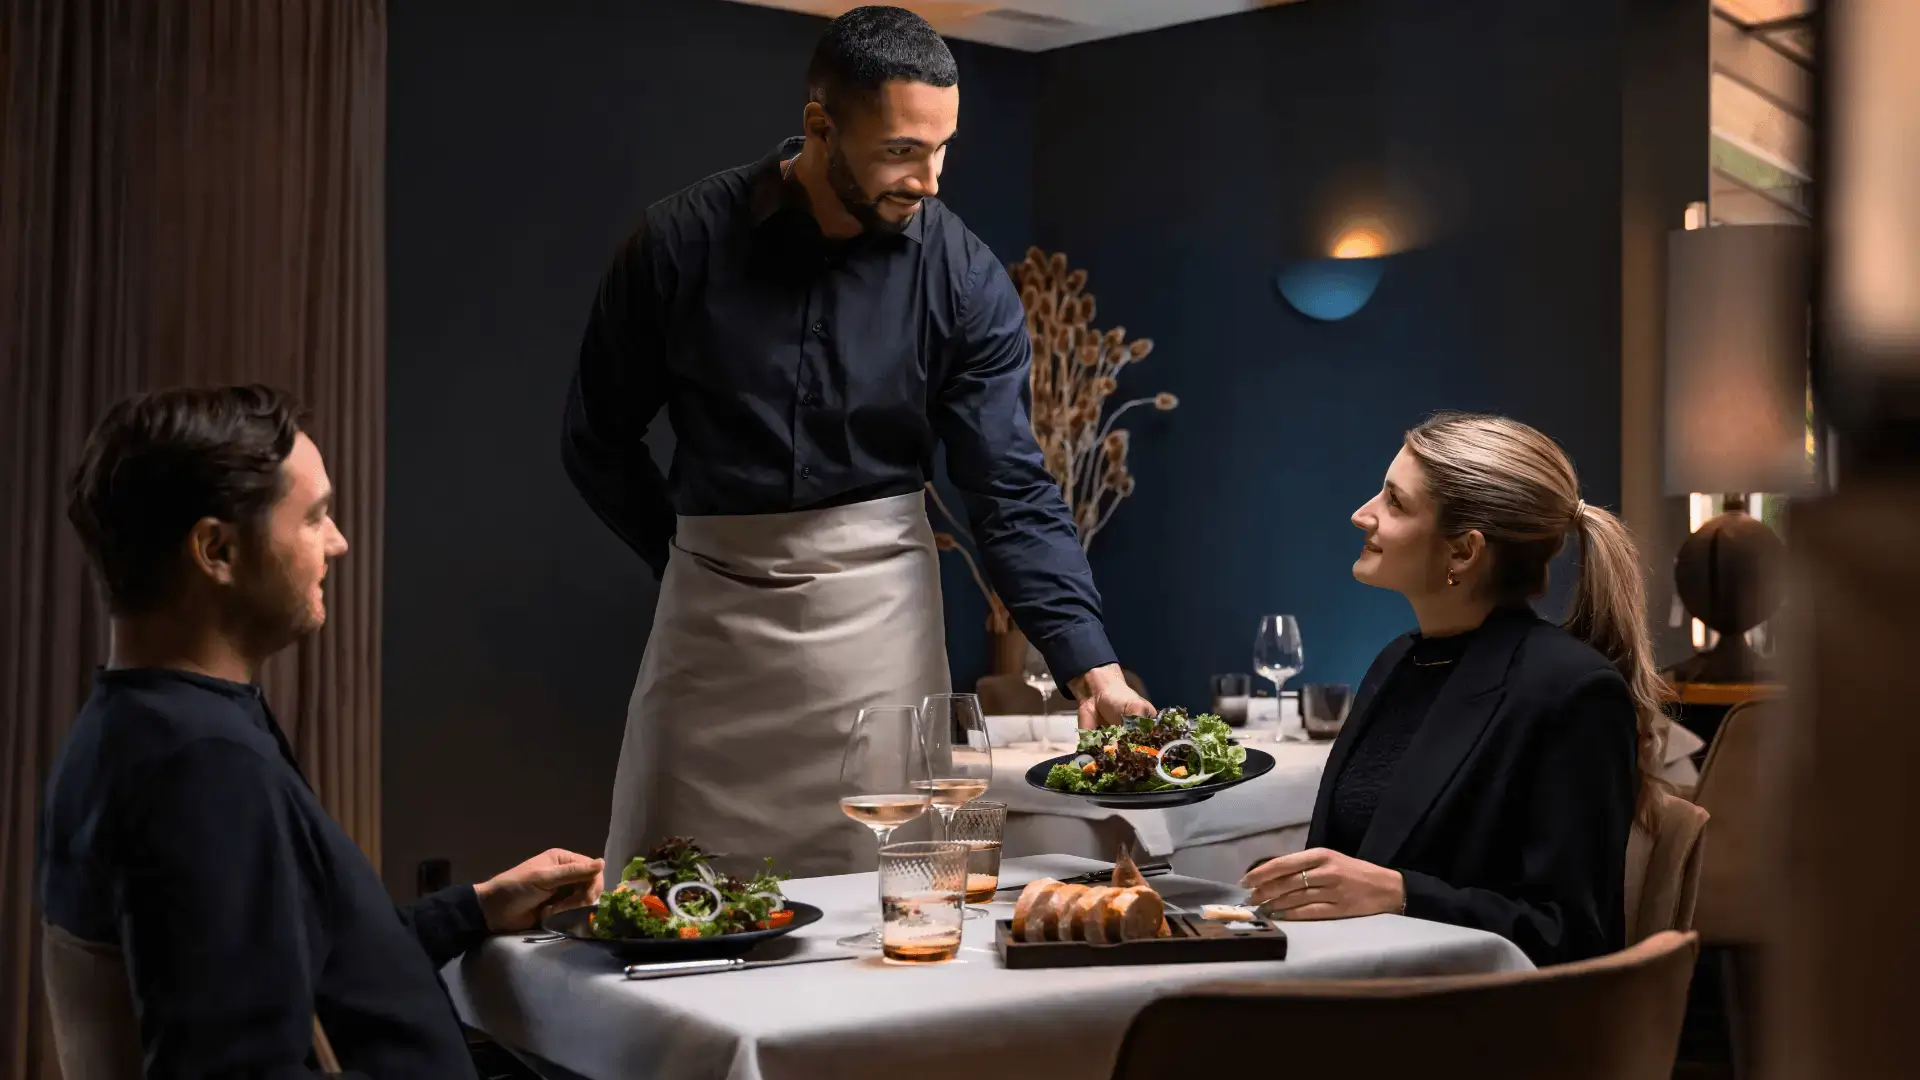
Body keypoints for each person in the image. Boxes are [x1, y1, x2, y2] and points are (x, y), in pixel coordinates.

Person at [562, 6, 1151, 878]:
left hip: (880, 631)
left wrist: (1091, 668)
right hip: (709, 631)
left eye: (943, 148)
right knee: (669, 897)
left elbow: (1007, 486)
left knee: (889, 903)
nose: (930, 180)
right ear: (819, 126)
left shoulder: (964, 277)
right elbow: (596, 440)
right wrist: (684, 557)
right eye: (901, 152)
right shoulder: (676, 246)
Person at [39, 386, 604, 1078]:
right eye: (314, 518)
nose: (337, 544)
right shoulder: (204, 771)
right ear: (216, 549)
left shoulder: (137, 727)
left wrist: (475, 909)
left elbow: (306, 961)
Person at [1242, 413, 1664, 966]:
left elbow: (1571, 936)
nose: (1361, 514)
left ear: (1463, 552)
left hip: (1467, 1025)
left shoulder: (1572, 691)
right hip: (1355, 990)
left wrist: (1401, 894)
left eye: (1395, 502)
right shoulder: (1400, 660)